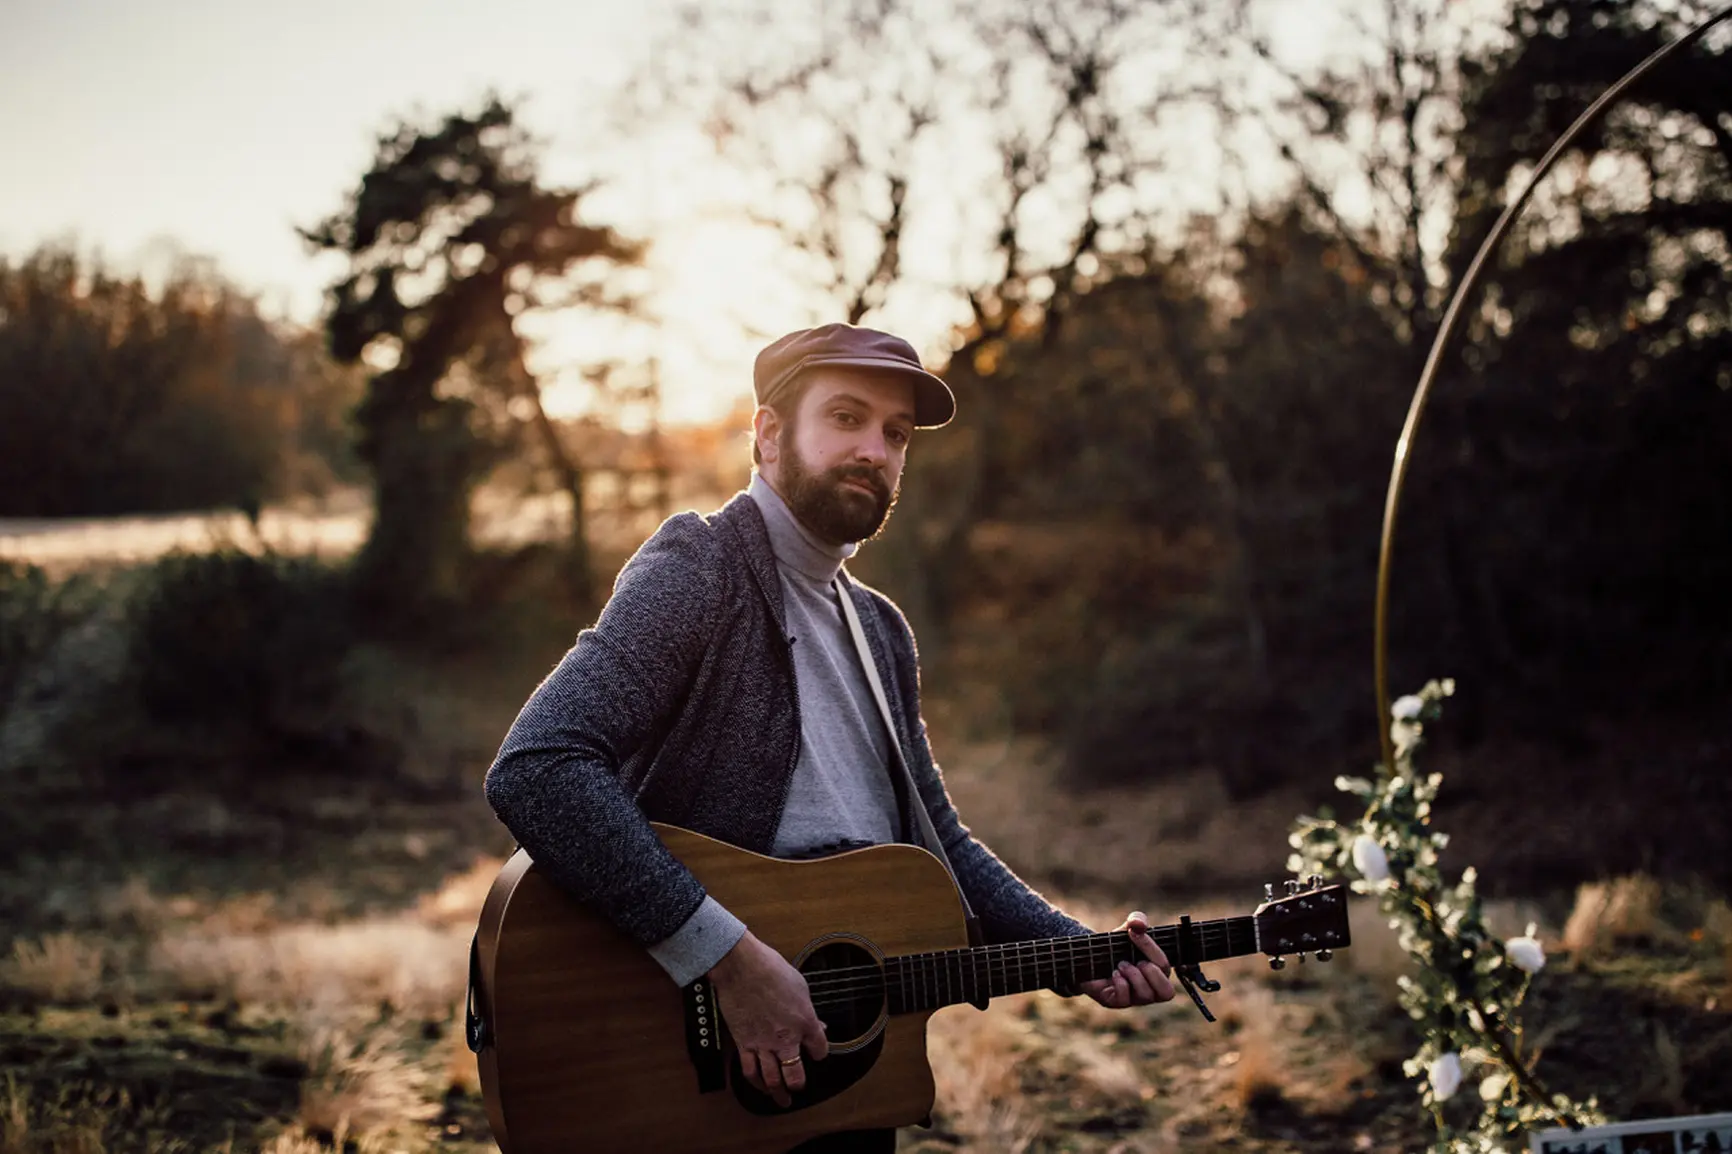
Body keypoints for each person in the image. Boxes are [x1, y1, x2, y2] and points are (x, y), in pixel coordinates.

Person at [484, 323, 1176, 1153]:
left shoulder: (882, 631)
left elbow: (939, 840)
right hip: (686, 1062)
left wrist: (1077, 950)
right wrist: (726, 960)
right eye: (846, 418)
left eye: (896, 434)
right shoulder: (702, 568)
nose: (874, 451)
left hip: (846, 1068)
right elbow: (538, 766)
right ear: (769, 435)